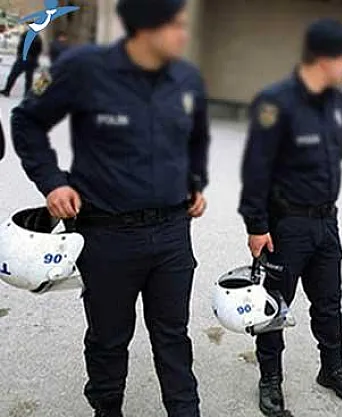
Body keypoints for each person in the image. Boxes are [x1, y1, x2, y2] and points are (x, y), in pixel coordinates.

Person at [11, 0, 209, 416]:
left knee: (173, 336)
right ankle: (106, 407)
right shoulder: (84, 68)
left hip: (172, 235)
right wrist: (52, 181)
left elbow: (196, 138)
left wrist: (195, 183)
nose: (184, 34)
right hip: (108, 235)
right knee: (108, 338)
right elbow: (27, 121)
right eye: (175, 25)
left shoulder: (187, 78)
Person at [238, 19, 342, 416]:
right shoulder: (276, 102)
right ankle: (270, 379)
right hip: (286, 225)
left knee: (329, 302)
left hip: (326, 223)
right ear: (324, 59)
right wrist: (257, 225)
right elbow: (256, 169)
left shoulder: (336, 103)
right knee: (274, 306)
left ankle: (332, 369)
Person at [1, 27, 43, 96]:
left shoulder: (25, 35)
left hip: (23, 59)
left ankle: (7, 90)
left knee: (13, 75)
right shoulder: (38, 38)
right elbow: (39, 50)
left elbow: (20, 47)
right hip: (31, 60)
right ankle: (26, 94)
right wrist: (35, 59)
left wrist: (19, 55)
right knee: (28, 78)